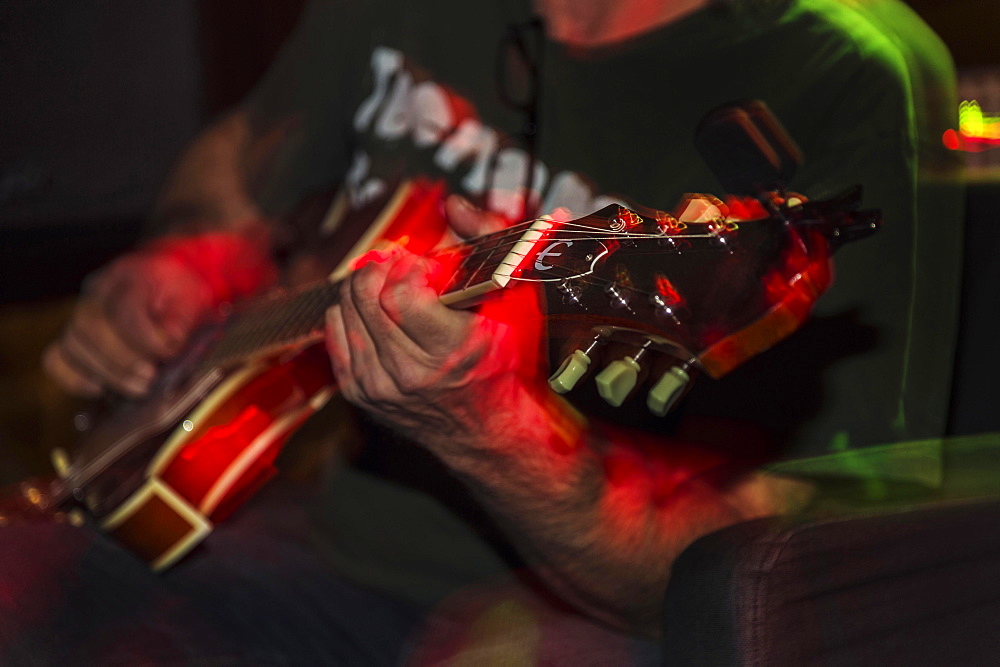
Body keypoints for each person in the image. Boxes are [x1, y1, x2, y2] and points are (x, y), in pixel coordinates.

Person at [8, 0, 961, 662]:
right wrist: (185, 256)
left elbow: (832, 554)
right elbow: (245, 151)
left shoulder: (846, 68)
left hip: (622, 611)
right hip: (326, 548)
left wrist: (496, 432)